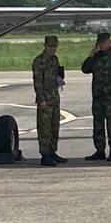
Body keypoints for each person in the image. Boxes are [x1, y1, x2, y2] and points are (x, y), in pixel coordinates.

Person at [81, 31, 111, 162]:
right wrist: (91, 55)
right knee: (98, 123)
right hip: (97, 95)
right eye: (100, 43)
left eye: (104, 42)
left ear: (109, 42)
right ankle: (100, 150)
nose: (102, 45)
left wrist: (108, 89)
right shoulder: (96, 57)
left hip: (110, 96)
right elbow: (85, 69)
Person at [32, 35, 67, 166]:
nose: (53, 49)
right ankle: (45, 154)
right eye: (51, 46)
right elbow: (38, 82)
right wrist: (41, 100)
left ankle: (52, 151)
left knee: (54, 127)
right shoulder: (39, 61)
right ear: (45, 46)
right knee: (44, 128)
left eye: (55, 46)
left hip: (54, 98)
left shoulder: (54, 60)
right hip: (45, 99)